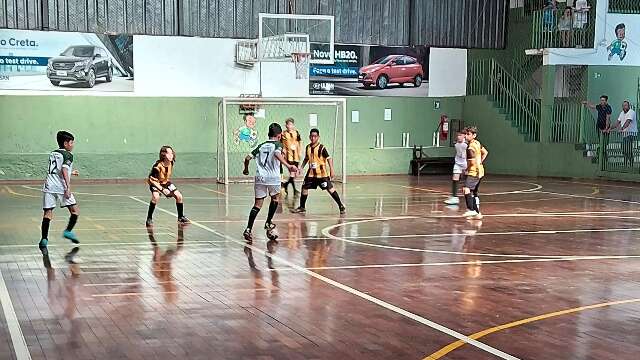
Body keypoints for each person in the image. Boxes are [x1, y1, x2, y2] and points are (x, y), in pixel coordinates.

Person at [242, 123, 298, 243]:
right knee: (275, 199)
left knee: (257, 205)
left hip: (260, 178)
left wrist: (246, 169)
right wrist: (288, 166)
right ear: (279, 135)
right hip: (273, 177)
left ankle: (248, 229)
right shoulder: (278, 144)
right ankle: (268, 222)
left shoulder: (261, 146)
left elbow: (247, 158)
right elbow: (277, 154)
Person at [39, 131, 81, 251]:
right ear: (66, 143)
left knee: (48, 213)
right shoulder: (68, 155)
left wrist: (71, 172)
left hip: (49, 185)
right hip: (61, 187)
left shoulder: (53, 153)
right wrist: (68, 187)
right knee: (75, 211)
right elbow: (63, 169)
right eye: (72, 142)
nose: (73, 145)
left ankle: (44, 239)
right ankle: (68, 231)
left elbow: (56, 169)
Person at [292, 128, 346, 215]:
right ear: (309, 137)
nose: (313, 138)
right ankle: (302, 207)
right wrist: (301, 167)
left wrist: (332, 170)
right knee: (304, 188)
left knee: (330, 189)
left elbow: (328, 158)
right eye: (312, 136)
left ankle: (341, 205)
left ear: (318, 137)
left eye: (315, 136)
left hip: (322, 174)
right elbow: (306, 158)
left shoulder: (322, 148)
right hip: (311, 174)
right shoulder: (308, 147)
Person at [145, 146, 190, 227]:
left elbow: (166, 179)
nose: (171, 155)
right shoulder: (157, 166)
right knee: (156, 197)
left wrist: (166, 187)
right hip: (156, 183)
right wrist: (162, 189)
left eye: (172, 153)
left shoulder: (171, 163)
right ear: (163, 155)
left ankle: (180, 217)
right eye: (169, 153)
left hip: (166, 182)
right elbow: (151, 180)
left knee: (179, 196)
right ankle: (149, 218)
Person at [461, 126, 488, 220]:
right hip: (480, 171)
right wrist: (480, 162)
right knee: (472, 192)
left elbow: (471, 162)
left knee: (466, 189)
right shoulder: (477, 143)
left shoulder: (470, 147)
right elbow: (485, 152)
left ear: (474, 135)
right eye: (466, 134)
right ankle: (477, 213)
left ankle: (470, 209)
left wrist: (467, 169)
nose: (466, 136)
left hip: (474, 172)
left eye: (468, 134)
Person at [610, 100, 637, 167]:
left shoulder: (632, 112)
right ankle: (625, 164)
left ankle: (630, 164)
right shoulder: (622, 113)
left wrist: (621, 129)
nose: (624, 107)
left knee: (628, 149)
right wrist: (609, 128)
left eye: (625, 105)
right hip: (625, 134)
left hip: (631, 134)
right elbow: (617, 122)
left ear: (629, 106)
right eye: (623, 105)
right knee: (624, 149)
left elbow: (628, 122)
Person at [281, 118, 303, 197]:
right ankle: (294, 190)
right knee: (292, 173)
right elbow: (282, 143)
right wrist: (283, 150)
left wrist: (300, 151)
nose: (289, 126)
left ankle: (285, 185)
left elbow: (299, 141)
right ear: (286, 125)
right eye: (288, 124)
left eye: (291, 124)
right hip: (289, 156)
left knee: (294, 174)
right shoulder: (283, 134)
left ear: (293, 125)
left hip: (296, 155)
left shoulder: (296, 132)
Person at [444, 132, 467, 205]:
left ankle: (473, 196)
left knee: (469, 180)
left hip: (466, 163)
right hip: (457, 163)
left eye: (460, 135)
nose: (458, 137)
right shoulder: (456, 144)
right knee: (455, 178)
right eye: (457, 135)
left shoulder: (467, 144)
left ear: (464, 136)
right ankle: (454, 197)